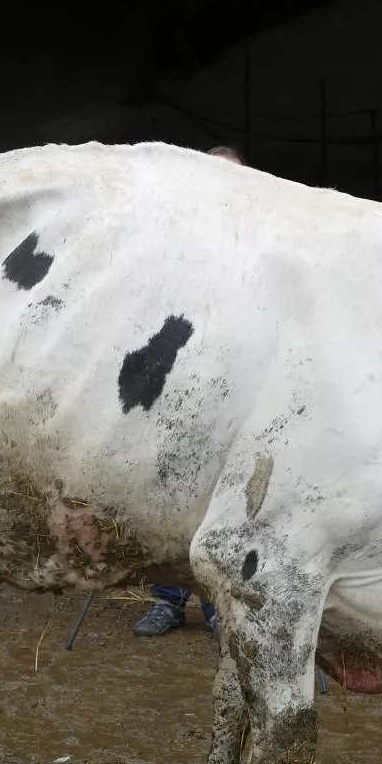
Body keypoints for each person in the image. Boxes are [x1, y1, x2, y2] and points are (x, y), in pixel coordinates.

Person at [135, 143, 242, 640]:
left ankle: (218, 602)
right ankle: (168, 599)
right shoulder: (170, 240)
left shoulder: (255, 242)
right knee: (168, 486)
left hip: (235, 384)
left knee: (225, 492)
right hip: (176, 380)